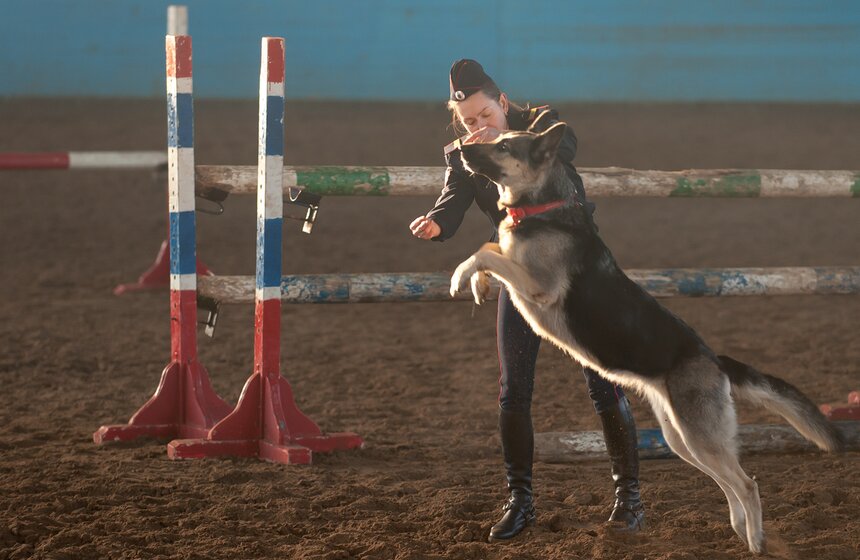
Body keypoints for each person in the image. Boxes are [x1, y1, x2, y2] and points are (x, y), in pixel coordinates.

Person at [409, 59, 645, 542]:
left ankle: (630, 500)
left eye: (485, 114)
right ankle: (520, 501)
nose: (478, 126)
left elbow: (569, 146)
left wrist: (501, 143)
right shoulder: (463, 155)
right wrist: (434, 224)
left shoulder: (539, 124)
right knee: (513, 388)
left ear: (503, 101)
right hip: (522, 272)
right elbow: (451, 205)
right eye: (469, 121)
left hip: (579, 270)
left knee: (604, 381)